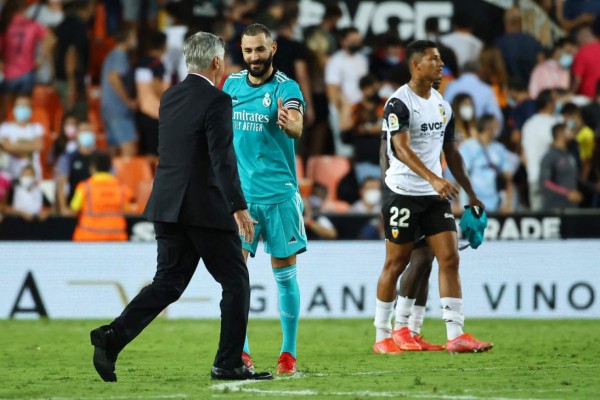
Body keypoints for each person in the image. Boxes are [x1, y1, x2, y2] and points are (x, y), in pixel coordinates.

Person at [89, 31, 272, 382]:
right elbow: (222, 157)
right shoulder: (218, 101)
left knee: (168, 283)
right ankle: (229, 363)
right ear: (218, 62)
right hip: (203, 207)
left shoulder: (169, 96)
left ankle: (112, 337)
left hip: (167, 204)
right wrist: (237, 206)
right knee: (236, 281)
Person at [373, 40, 493, 355]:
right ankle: (382, 335)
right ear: (416, 65)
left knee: (449, 258)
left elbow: (451, 153)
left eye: (440, 59)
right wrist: (434, 178)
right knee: (396, 263)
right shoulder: (398, 103)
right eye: (434, 59)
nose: (441, 64)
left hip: (433, 195)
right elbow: (400, 148)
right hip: (403, 193)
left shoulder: (443, 104)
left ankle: (456, 334)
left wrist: (471, 192)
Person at [222, 23, 306, 375]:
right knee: (234, 275)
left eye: (259, 50)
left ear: (272, 47)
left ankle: (288, 353)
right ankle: (241, 351)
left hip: (280, 196)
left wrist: (289, 125)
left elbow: (298, 125)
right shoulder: (231, 86)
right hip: (241, 199)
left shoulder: (287, 87)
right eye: (247, 51)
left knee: (284, 274)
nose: (254, 57)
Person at [70, 152, 133, 241]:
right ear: (110, 168)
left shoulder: (84, 187)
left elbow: (73, 211)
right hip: (116, 239)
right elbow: (127, 210)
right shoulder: (122, 188)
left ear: (93, 168)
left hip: (87, 239)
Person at [100, 26, 138, 157]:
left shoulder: (112, 54)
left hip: (108, 108)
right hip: (118, 109)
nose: (135, 40)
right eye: (133, 37)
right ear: (127, 39)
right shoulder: (119, 56)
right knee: (129, 149)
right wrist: (128, 102)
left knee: (113, 151)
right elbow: (113, 78)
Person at [539, 123, 583, 210]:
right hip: (555, 208)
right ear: (560, 133)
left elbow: (574, 178)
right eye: (569, 130)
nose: (573, 132)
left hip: (571, 206)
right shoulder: (550, 156)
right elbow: (545, 182)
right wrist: (568, 193)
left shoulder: (569, 154)